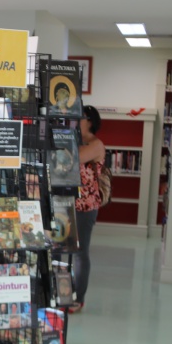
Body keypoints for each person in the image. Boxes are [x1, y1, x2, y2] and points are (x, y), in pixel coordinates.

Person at [71, 104, 106, 314]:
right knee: (63, 252)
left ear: (90, 121)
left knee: (80, 252)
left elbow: (73, 159)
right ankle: (64, 292)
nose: (75, 121)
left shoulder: (95, 144)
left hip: (86, 206)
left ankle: (79, 297)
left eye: (80, 117)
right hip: (66, 204)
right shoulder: (74, 141)